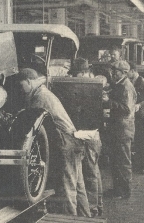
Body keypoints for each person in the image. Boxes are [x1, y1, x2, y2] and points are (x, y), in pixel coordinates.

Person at [17, 68, 91, 217]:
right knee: (78, 185)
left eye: (22, 85)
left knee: (67, 187)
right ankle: (86, 217)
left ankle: (71, 220)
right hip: (75, 141)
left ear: (29, 82)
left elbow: (30, 122)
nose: (21, 89)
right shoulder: (43, 92)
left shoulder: (40, 97)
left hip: (67, 143)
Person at [103, 61, 137, 199]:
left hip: (123, 129)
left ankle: (124, 192)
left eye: (116, 71)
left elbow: (126, 108)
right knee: (116, 160)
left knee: (123, 161)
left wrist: (108, 101)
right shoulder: (120, 85)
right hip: (118, 127)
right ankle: (117, 189)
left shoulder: (126, 87)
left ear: (124, 72)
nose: (113, 73)